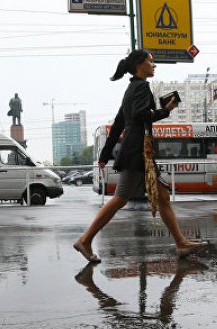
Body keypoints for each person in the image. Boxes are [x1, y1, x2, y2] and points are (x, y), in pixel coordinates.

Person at [73, 49, 205, 263]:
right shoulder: (141, 87)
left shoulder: (131, 89)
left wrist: (105, 154)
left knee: (162, 196)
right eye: (151, 61)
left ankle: (181, 243)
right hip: (138, 150)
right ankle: (85, 240)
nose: (154, 65)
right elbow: (140, 115)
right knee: (121, 197)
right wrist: (165, 110)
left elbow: (118, 123)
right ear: (139, 65)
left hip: (137, 148)